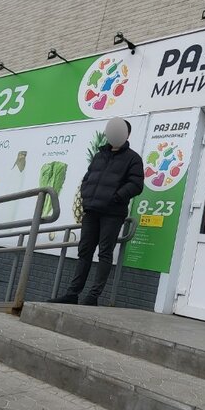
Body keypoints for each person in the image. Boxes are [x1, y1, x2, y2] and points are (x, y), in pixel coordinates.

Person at [51, 117, 144, 305]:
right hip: (91, 211)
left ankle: (93, 296)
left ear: (127, 135)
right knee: (84, 252)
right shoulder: (99, 155)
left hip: (112, 214)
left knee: (105, 253)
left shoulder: (133, 158)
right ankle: (72, 294)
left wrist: (115, 197)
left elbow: (136, 184)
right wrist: (86, 195)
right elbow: (88, 178)